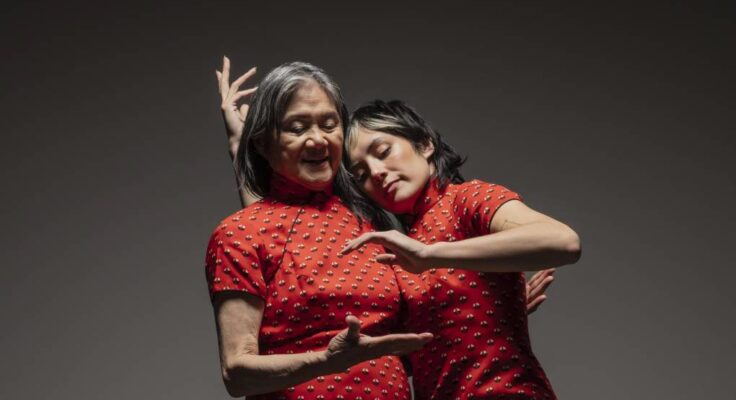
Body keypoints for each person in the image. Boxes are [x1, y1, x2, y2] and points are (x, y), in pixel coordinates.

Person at [205, 59, 435, 399]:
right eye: (297, 128)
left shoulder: (373, 219)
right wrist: (327, 362)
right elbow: (236, 373)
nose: (318, 140)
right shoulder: (240, 233)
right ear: (262, 142)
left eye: (330, 124)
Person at [341, 100, 582, 399]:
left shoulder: (465, 199)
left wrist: (430, 255)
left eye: (383, 151)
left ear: (425, 144)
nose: (376, 173)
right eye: (361, 174)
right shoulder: (401, 252)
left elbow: (563, 241)